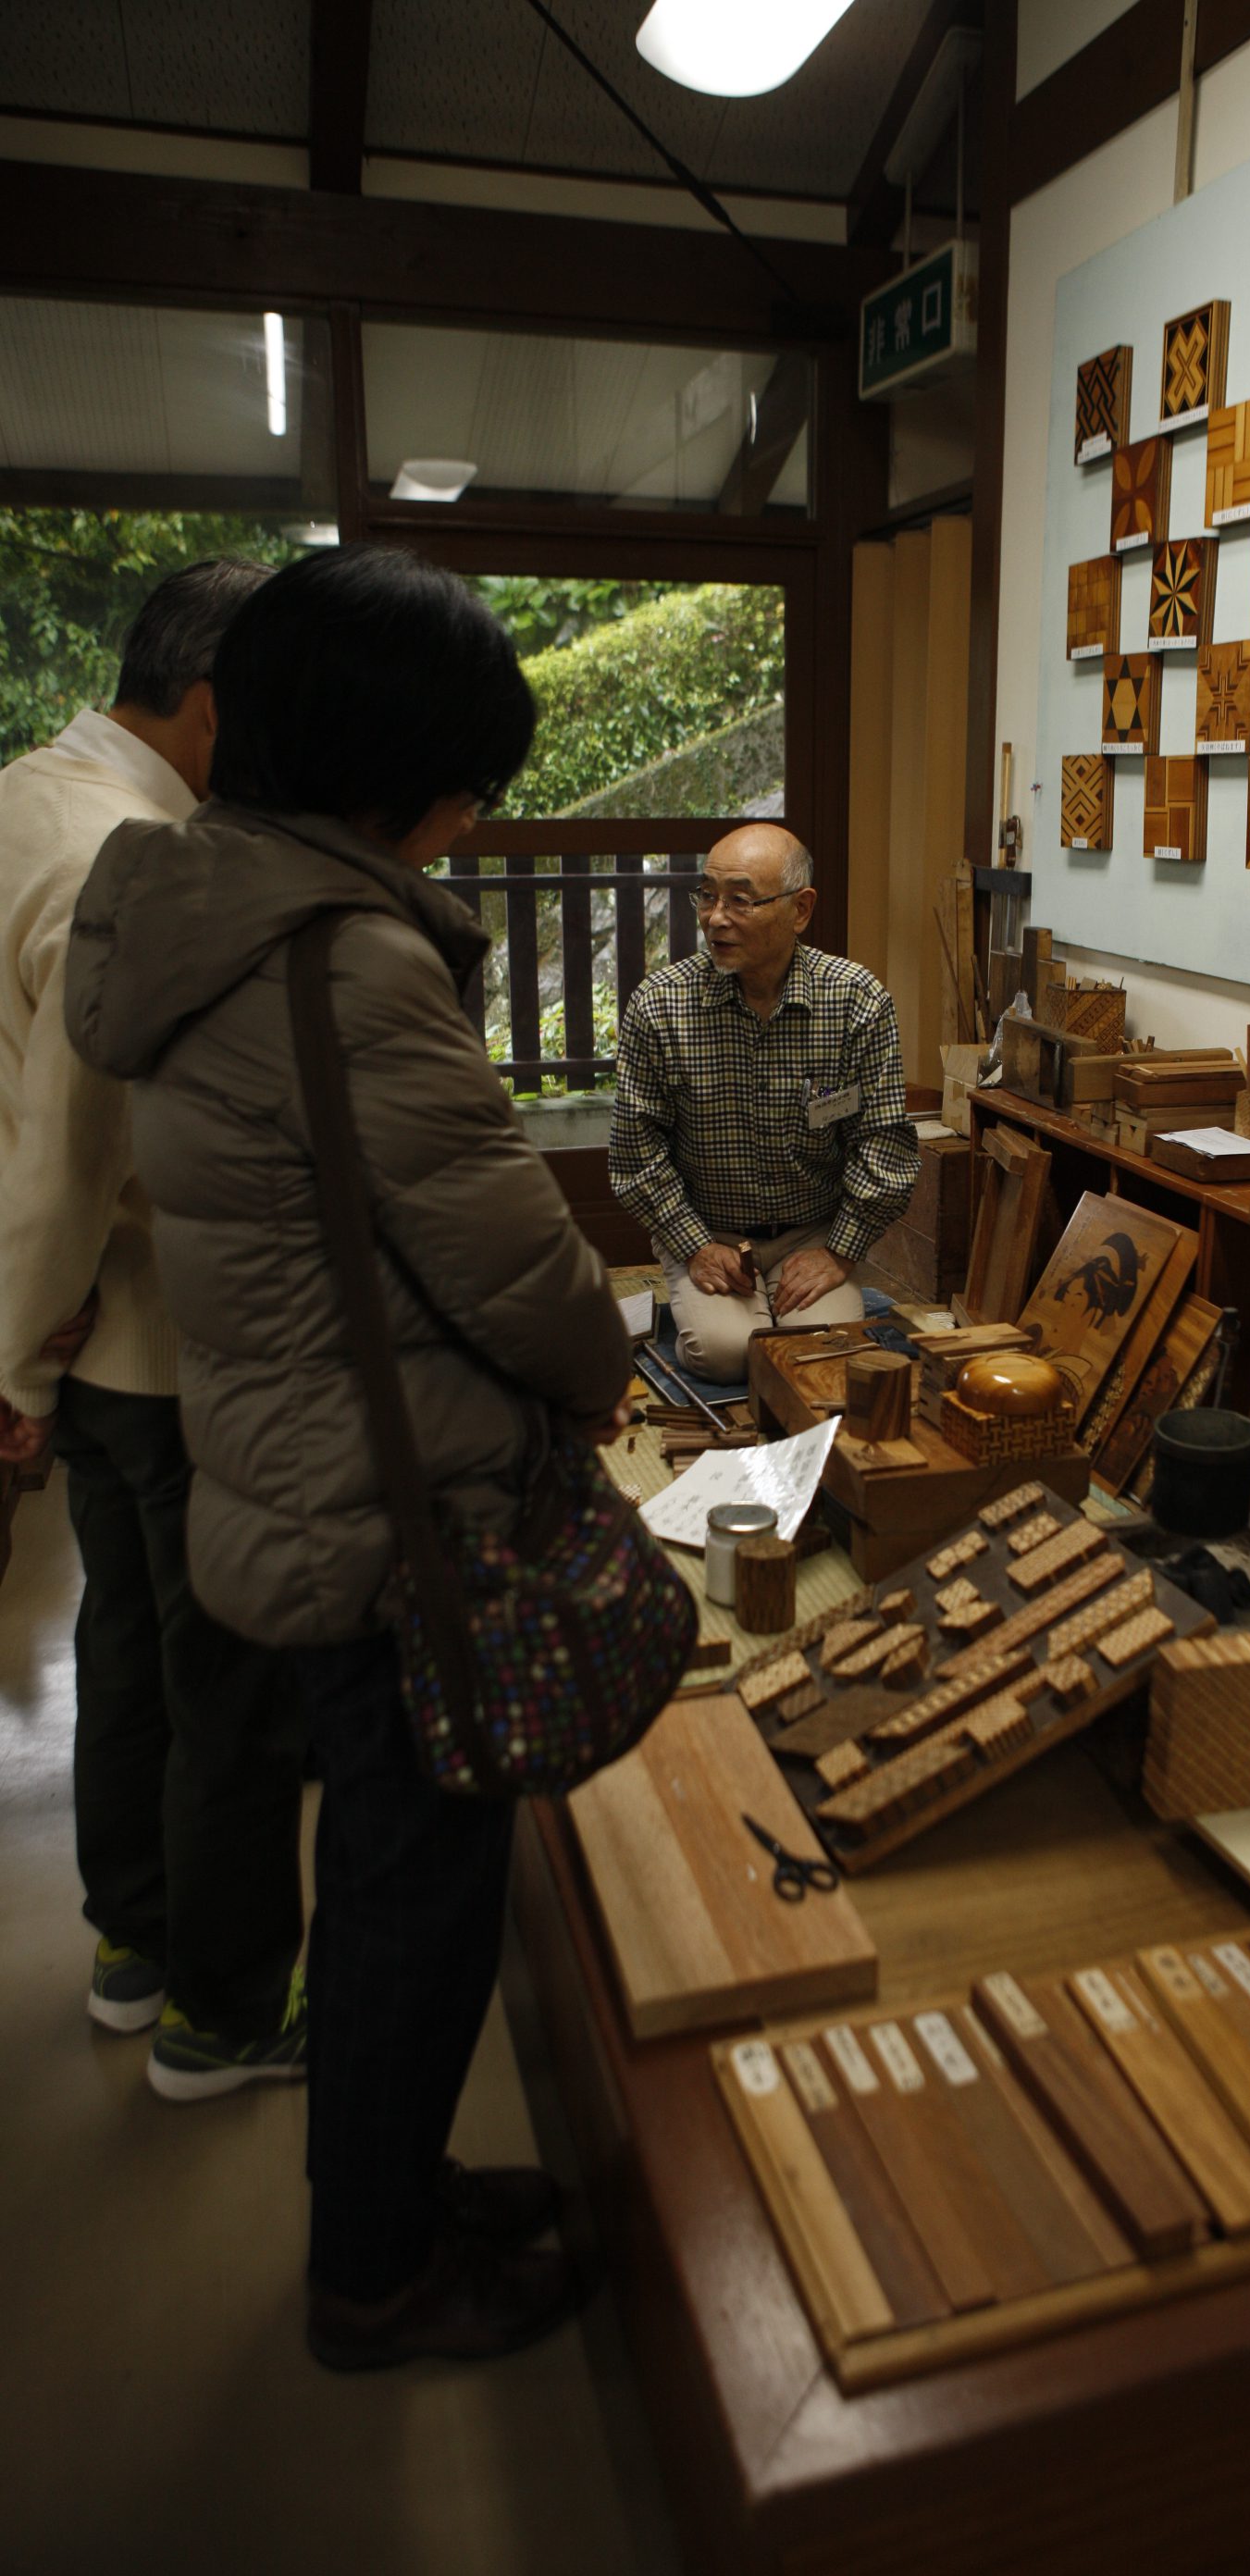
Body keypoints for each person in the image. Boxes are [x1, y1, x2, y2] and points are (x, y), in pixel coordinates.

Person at [64, 545, 635, 2370]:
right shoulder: (351, 952)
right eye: (475, 781)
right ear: (407, 775)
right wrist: (602, 1362)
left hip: (292, 1478)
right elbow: (511, 1264)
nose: (474, 821)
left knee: (388, 1881)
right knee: (408, 1904)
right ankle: (378, 2277)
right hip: (399, 1529)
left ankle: (386, 2189)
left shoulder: (190, 909)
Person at [0, 558, 310, 2100]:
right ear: (209, 707)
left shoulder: (25, 791)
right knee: (226, 1686)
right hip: (144, 1339)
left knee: (121, 1647)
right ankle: (226, 2010)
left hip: (92, 1341)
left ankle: (135, 1944)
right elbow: (70, 1139)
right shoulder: (128, 853)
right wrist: (12, 1352)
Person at [608, 822, 919, 1383]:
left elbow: (885, 1147)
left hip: (812, 1231)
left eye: (741, 900)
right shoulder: (660, 1006)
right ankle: (707, 1301)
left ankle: (795, 1300)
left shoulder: (856, 1001)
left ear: (800, 911)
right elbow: (635, 1154)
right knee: (726, 1353)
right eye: (707, 895)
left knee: (819, 1355)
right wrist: (695, 1245)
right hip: (709, 1227)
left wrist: (840, 1251)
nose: (715, 917)